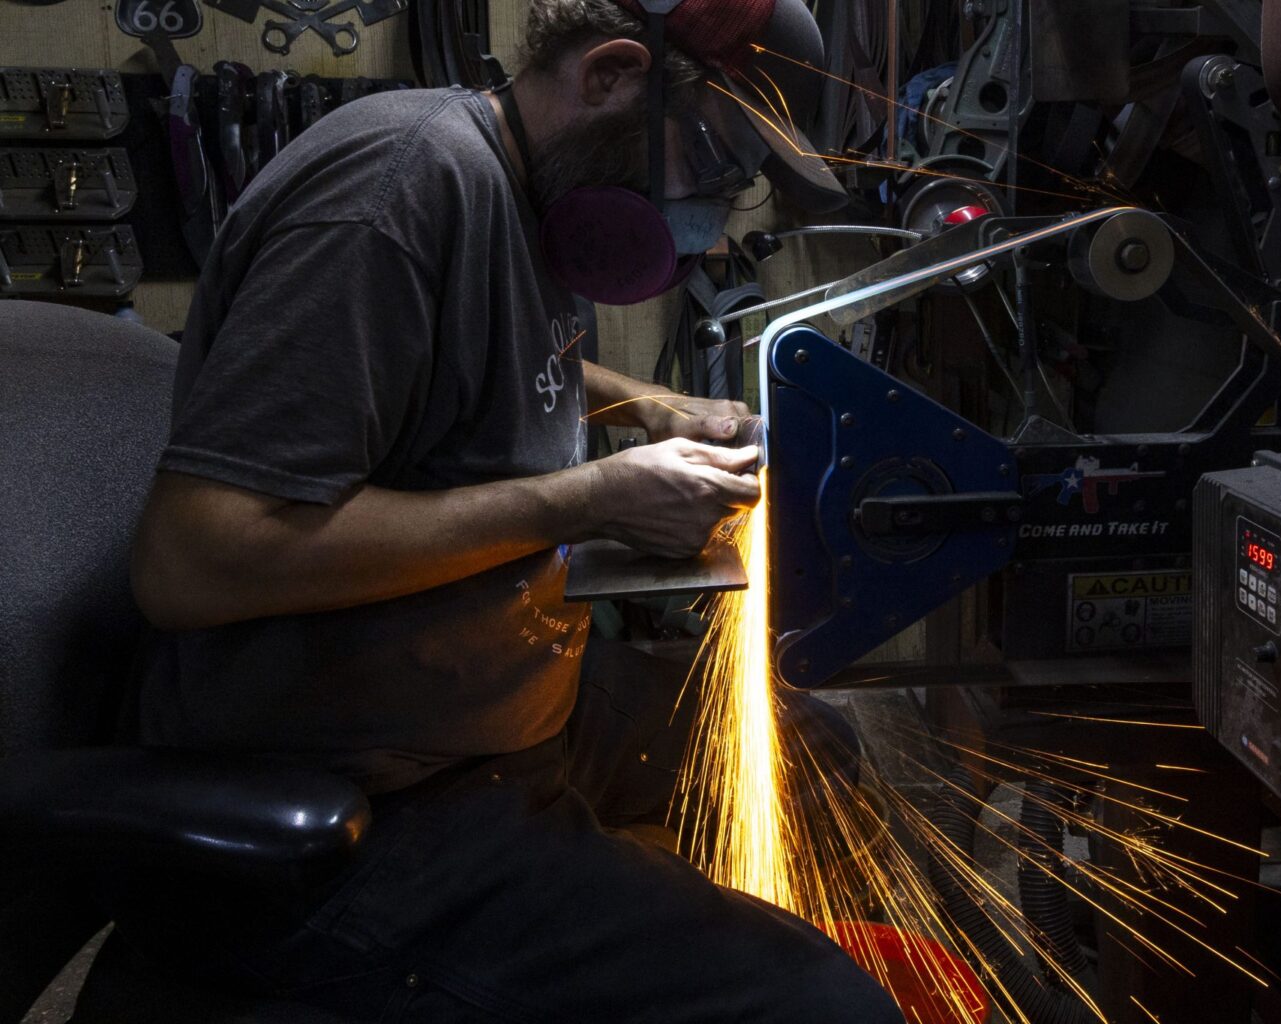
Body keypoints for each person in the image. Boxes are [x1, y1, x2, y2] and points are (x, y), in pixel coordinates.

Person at [123, 0, 899, 1019]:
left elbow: (493, 367)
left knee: (820, 753)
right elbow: (195, 558)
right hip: (374, 792)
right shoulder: (396, 193)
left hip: (508, 702)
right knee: (825, 1008)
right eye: (711, 154)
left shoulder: (536, 194)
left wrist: (656, 405)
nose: (714, 200)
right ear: (614, 74)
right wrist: (587, 496)